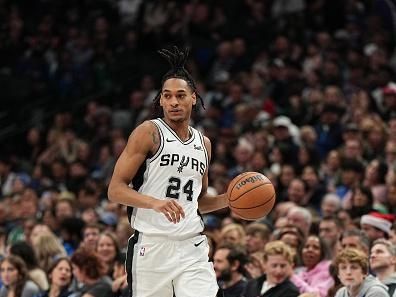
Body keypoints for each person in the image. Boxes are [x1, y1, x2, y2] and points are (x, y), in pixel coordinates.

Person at [107, 47, 229, 297]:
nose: (174, 102)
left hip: (192, 245)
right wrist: (155, 203)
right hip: (152, 247)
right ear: (160, 100)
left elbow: (197, 202)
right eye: (168, 96)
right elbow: (115, 189)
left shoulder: (203, 143)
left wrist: (230, 199)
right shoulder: (148, 132)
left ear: (194, 98)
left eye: (181, 95)